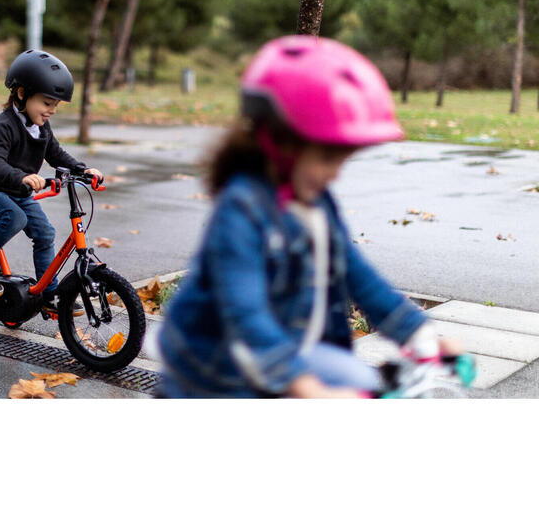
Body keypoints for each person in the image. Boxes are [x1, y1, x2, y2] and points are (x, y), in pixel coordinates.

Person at [157, 35, 461, 398]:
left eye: (343, 160)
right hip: (214, 373)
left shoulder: (319, 203)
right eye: (328, 159)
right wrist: (308, 389)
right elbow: (245, 315)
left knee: (363, 382)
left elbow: (359, 277)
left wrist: (418, 333)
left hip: (291, 354)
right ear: (281, 143)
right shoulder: (240, 211)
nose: (336, 174)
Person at [0, 49, 102, 314]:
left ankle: (49, 294)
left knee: (45, 232)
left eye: (55, 106)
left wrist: (82, 170)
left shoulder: (41, 127)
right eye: (46, 103)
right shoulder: (2, 127)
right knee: (15, 218)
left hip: (17, 190)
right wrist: (23, 176)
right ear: (21, 94)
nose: (51, 111)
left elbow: (55, 154)